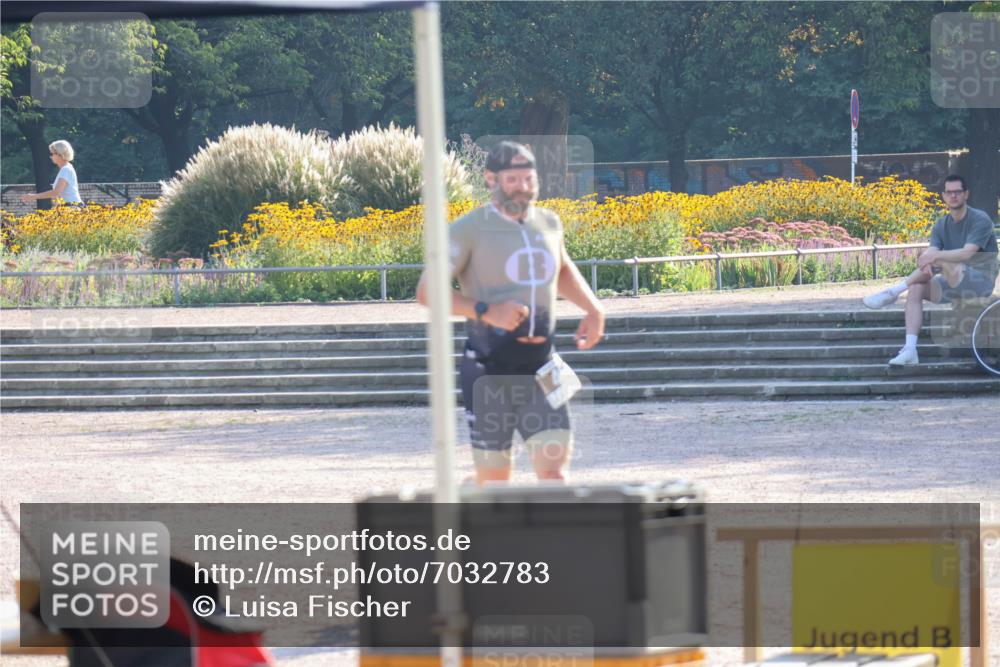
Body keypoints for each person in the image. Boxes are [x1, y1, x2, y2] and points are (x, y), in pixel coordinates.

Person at [416, 141, 606, 486]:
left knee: (554, 474)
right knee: (495, 482)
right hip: (489, 370)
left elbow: (560, 268)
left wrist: (593, 308)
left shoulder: (549, 222)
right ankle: (469, 497)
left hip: (542, 365)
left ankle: (547, 541)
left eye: (529, 179)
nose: (523, 187)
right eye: (513, 179)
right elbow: (428, 291)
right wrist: (487, 311)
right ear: (491, 179)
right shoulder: (467, 229)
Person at [862, 174, 998, 365]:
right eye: (949, 192)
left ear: (966, 194)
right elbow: (930, 254)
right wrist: (927, 261)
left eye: (957, 192)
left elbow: (967, 254)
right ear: (943, 195)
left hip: (980, 282)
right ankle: (910, 349)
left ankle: (893, 291)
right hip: (952, 280)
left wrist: (934, 257)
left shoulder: (980, 219)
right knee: (917, 287)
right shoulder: (942, 224)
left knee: (944, 260)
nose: (953, 196)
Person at [20, 140, 83, 206]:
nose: (51, 156)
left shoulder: (66, 170)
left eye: (52, 154)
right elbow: (58, 195)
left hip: (73, 207)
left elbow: (56, 192)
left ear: (60, 154)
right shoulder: (65, 169)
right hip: (68, 207)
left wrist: (33, 196)